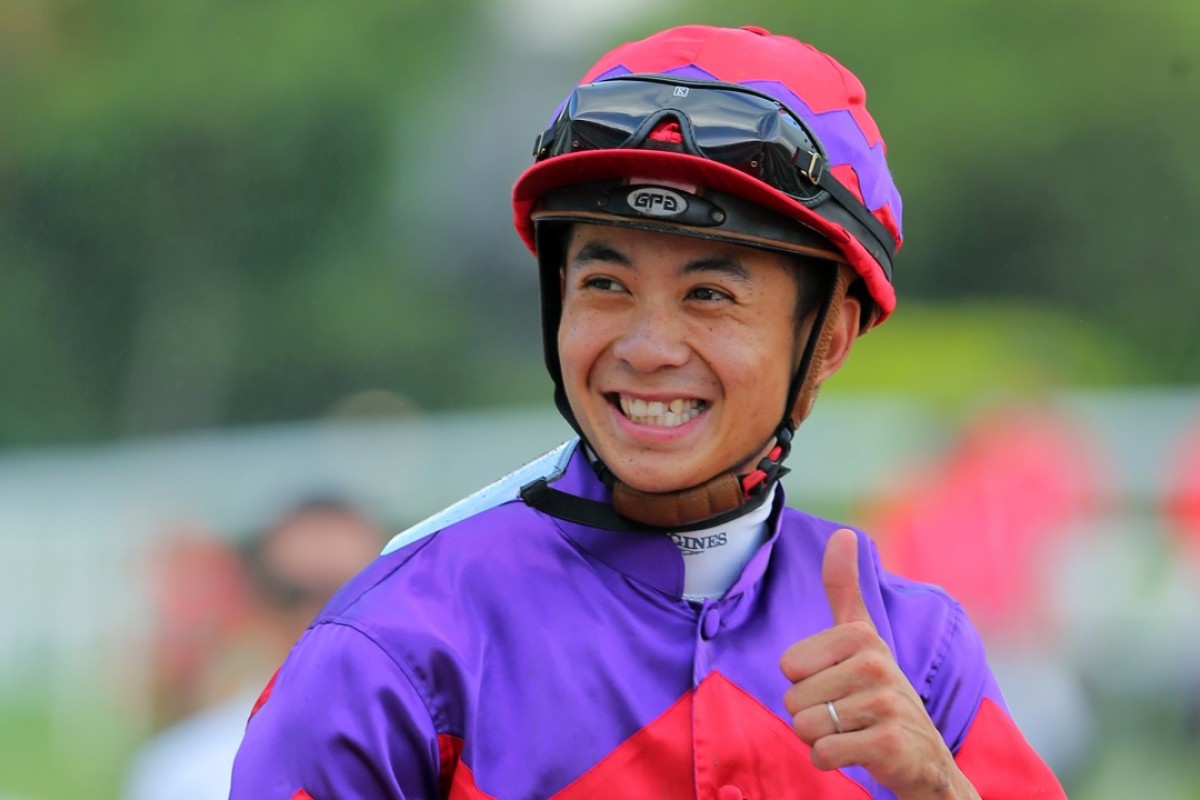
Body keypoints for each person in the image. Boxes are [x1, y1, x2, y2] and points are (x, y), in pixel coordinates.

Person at [231, 24, 1066, 798]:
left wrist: (942, 790)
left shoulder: (917, 655)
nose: (648, 347)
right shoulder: (398, 647)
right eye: (605, 284)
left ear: (832, 335)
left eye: (709, 294)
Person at [122, 497, 383, 800]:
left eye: (352, 592)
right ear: (257, 602)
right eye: (292, 594)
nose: (322, 616)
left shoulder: (438, 755)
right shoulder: (186, 769)